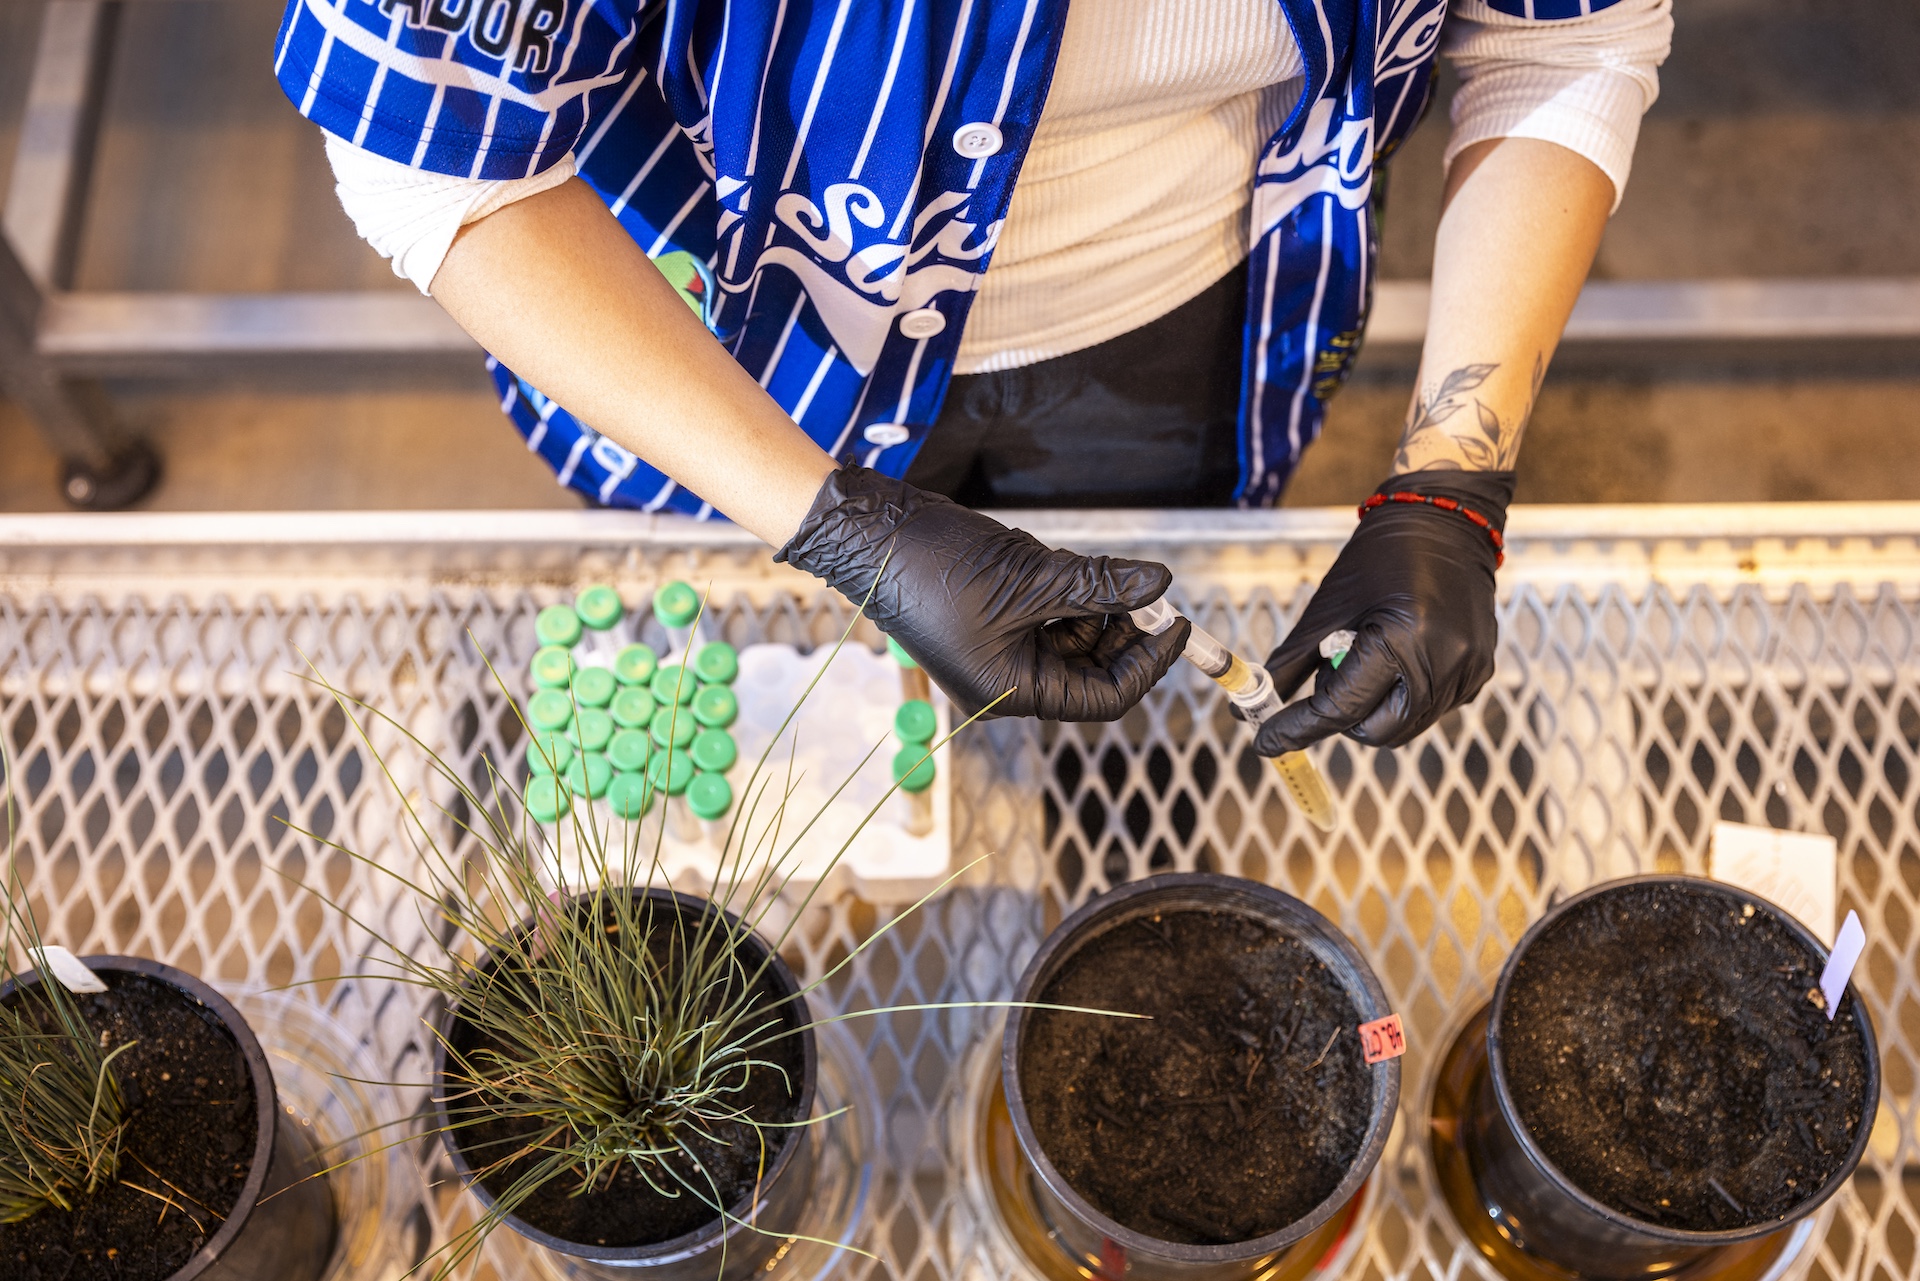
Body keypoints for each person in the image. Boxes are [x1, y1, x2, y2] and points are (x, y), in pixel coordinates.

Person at [273, 0, 1670, 748]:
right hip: (726, 349)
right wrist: (833, 525)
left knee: (1122, 729)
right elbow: (434, 156)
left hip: (1183, 322)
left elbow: (1565, 33)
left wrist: (1455, 475)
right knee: (757, 741)